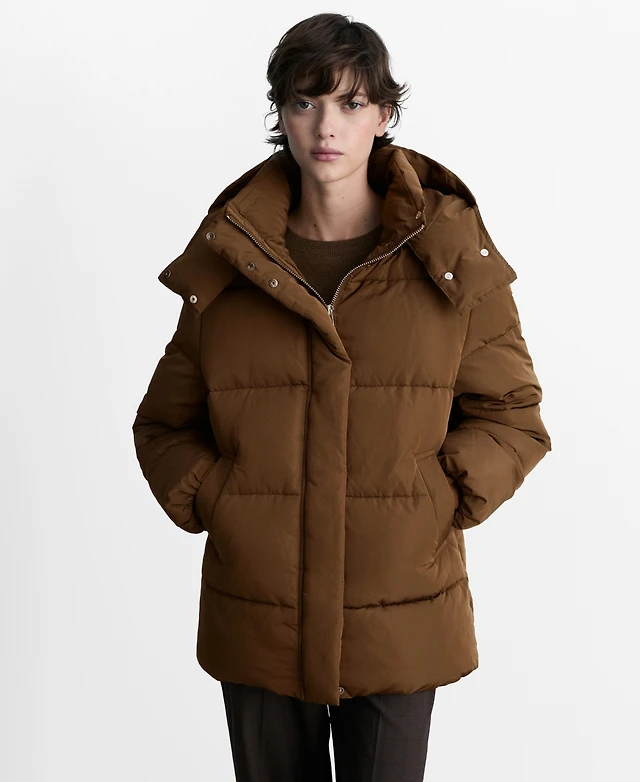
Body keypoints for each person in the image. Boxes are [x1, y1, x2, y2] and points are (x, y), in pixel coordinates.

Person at [132, 12, 552, 782]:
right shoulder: (231, 259)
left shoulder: (448, 255)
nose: (327, 126)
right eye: (305, 101)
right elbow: (163, 423)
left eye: (351, 103)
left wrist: (436, 498)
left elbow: (513, 416)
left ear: (384, 115)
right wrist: (223, 500)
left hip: (401, 612)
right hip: (259, 612)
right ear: (281, 114)